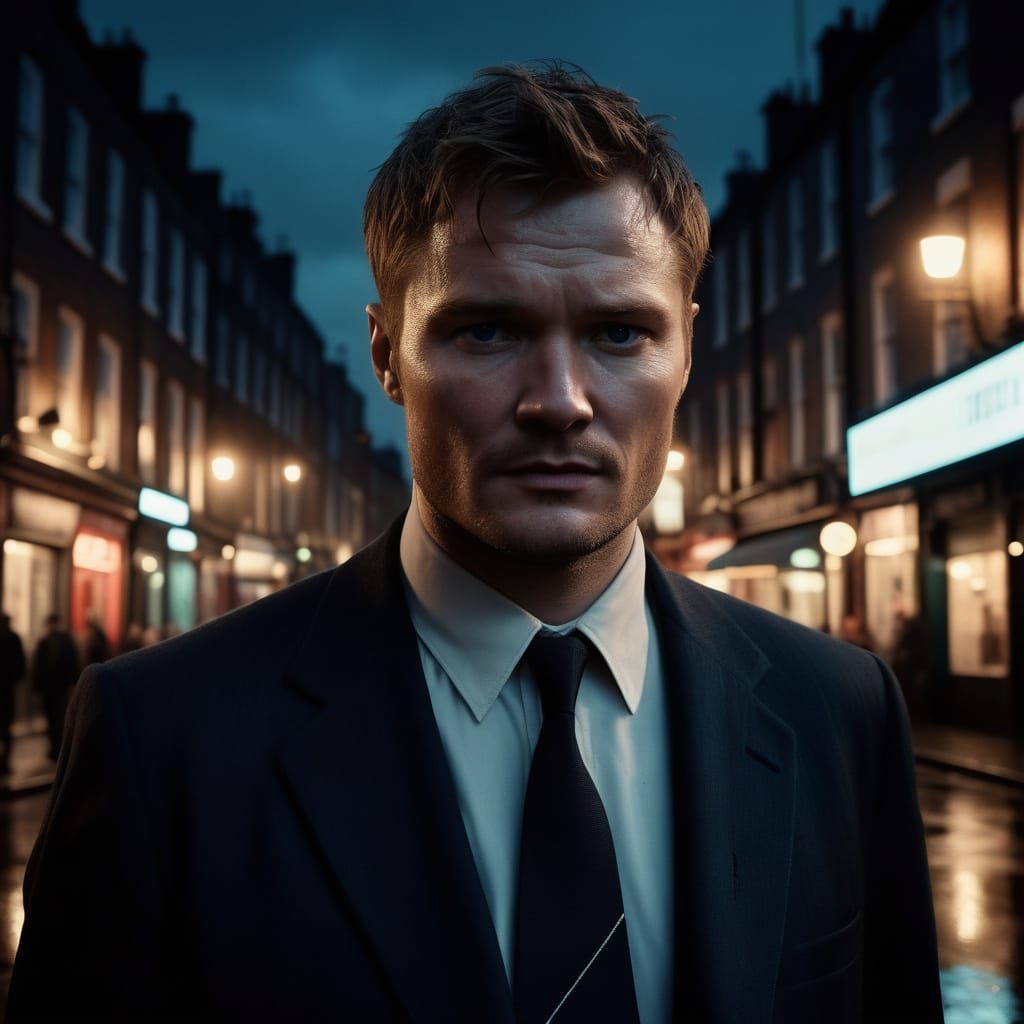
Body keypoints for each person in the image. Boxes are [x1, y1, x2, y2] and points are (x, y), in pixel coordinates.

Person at [8, 63, 943, 1022]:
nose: (561, 402)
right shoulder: (163, 739)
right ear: (386, 355)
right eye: (489, 331)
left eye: (621, 334)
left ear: (688, 349)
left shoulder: (838, 711)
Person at [27, 613, 79, 763]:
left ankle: (57, 749)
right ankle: (55, 749)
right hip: (54, 688)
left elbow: (71, 663)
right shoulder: (58, 642)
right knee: (54, 718)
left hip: (55, 688)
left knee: (56, 719)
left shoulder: (55, 642)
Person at [0, 613, 27, 776]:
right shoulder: (14, 638)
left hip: (6, 689)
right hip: (7, 689)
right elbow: (20, 664)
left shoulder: (13, 639)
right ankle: (5, 763)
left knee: (5, 728)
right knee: (6, 728)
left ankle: (4, 762)